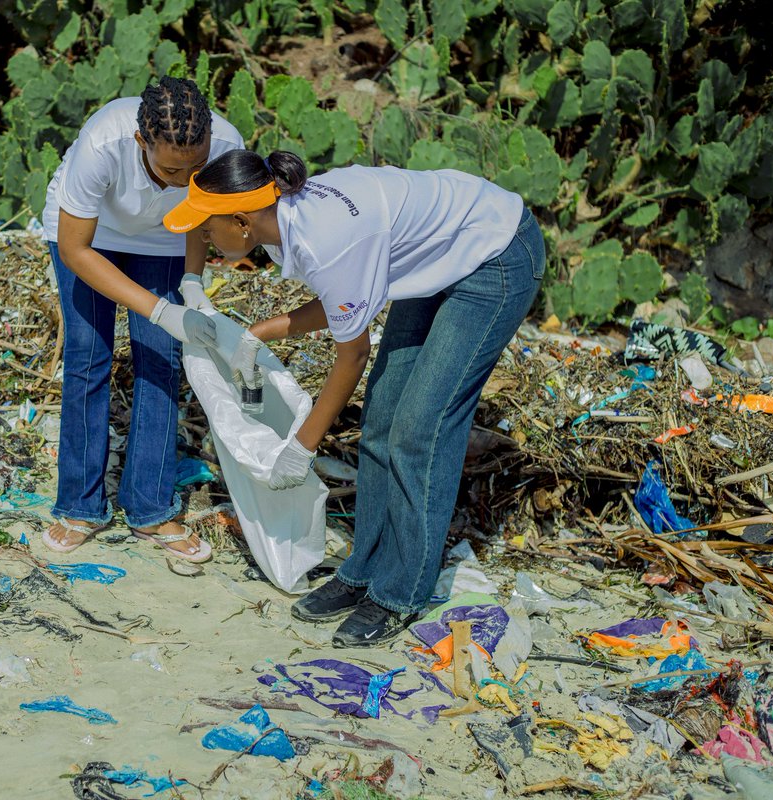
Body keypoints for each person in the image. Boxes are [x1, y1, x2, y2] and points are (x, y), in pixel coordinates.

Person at [162, 150, 544, 645]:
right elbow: (348, 298)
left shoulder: (326, 240)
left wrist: (302, 446)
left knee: (419, 429)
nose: (204, 238)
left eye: (207, 227)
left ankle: (400, 591)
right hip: (437, 252)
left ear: (241, 221)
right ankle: (363, 570)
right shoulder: (281, 222)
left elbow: (354, 353)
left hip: (496, 255)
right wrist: (259, 333)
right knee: (382, 419)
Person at [40, 76, 244, 563]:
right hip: (90, 236)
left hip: (165, 242)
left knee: (162, 359)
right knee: (89, 359)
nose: (186, 177)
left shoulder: (226, 146)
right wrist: (157, 308)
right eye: (173, 169)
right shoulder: (104, 141)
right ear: (141, 142)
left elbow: (200, 213)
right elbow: (74, 248)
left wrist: (191, 283)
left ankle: (150, 508)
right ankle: (80, 506)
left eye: (197, 165)